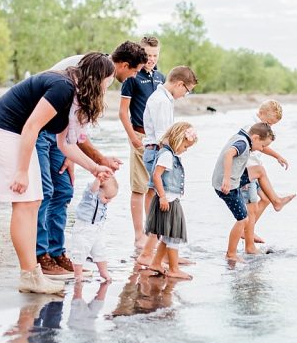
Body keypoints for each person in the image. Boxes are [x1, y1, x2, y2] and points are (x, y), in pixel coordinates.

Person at [0, 51, 115, 294]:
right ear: (97, 79)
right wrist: (21, 171)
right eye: (109, 81)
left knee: (33, 200)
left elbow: (65, 145)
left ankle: (32, 274)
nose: (109, 87)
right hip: (4, 130)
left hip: (16, 134)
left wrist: (95, 167)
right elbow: (31, 126)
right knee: (25, 201)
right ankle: (30, 276)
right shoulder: (63, 88)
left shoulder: (73, 96)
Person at [35, 42, 148, 279]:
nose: (134, 77)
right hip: (42, 127)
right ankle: (40, 255)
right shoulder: (87, 67)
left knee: (64, 191)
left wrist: (75, 157)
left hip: (62, 131)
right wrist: (97, 159)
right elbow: (66, 112)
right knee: (45, 191)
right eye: (135, 71)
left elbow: (77, 125)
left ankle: (57, 252)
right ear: (124, 65)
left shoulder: (103, 75)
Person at [135, 66, 198, 265]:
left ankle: (163, 254)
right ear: (179, 84)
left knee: (163, 206)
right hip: (158, 152)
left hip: (157, 151)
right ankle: (149, 255)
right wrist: (176, 150)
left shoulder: (163, 98)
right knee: (162, 207)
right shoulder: (161, 101)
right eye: (187, 90)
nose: (185, 95)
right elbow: (165, 136)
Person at [119, 36, 165, 249]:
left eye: (155, 55)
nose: (151, 59)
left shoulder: (161, 78)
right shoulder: (132, 78)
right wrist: (134, 139)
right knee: (138, 188)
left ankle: (152, 233)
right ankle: (139, 236)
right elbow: (122, 112)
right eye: (148, 55)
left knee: (154, 189)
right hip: (139, 137)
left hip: (158, 141)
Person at [212, 122, 275, 261]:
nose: (262, 149)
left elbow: (237, 160)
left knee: (259, 170)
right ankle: (231, 254)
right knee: (243, 219)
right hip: (228, 186)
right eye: (263, 146)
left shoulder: (242, 136)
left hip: (235, 178)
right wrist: (227, 179)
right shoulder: (243, 143)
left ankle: (275, 200)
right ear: (256, 137)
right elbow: (229, 154)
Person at [144, 122, 198, 280]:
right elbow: (156, 176)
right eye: (185, 146)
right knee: (173, 236)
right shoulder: (167, 155)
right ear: (179, 139)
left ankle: (156, 263)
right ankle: (174, 269)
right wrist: (162, 197)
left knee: (168, 236)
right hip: (167, 199)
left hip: (170, 199)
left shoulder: (168, 154)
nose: (185, 150)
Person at [240, 100, 297, 243]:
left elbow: (262, 146)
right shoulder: (251, 126)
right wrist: (277, 155)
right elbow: (260, 146)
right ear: (261, 113)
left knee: (265, 199)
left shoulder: (259, 124)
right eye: (270, 123)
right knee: (251, 207)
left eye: (272, 125)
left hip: (255, 168)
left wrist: (277, 156)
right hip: (247, 171)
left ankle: (246, 231)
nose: (270, 127)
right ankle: (246, 235)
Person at [67, 172, 118, 283]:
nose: (108, 201)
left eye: (110, 198)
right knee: (79, 251)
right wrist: (98, 180)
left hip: (97, 228)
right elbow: (92, 189)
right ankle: (78, 274)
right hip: (83, 228)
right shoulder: (91, 195)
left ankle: (103, 271)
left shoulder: (102, 198)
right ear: (99, 189)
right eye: (107, 197)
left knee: (100, 251)